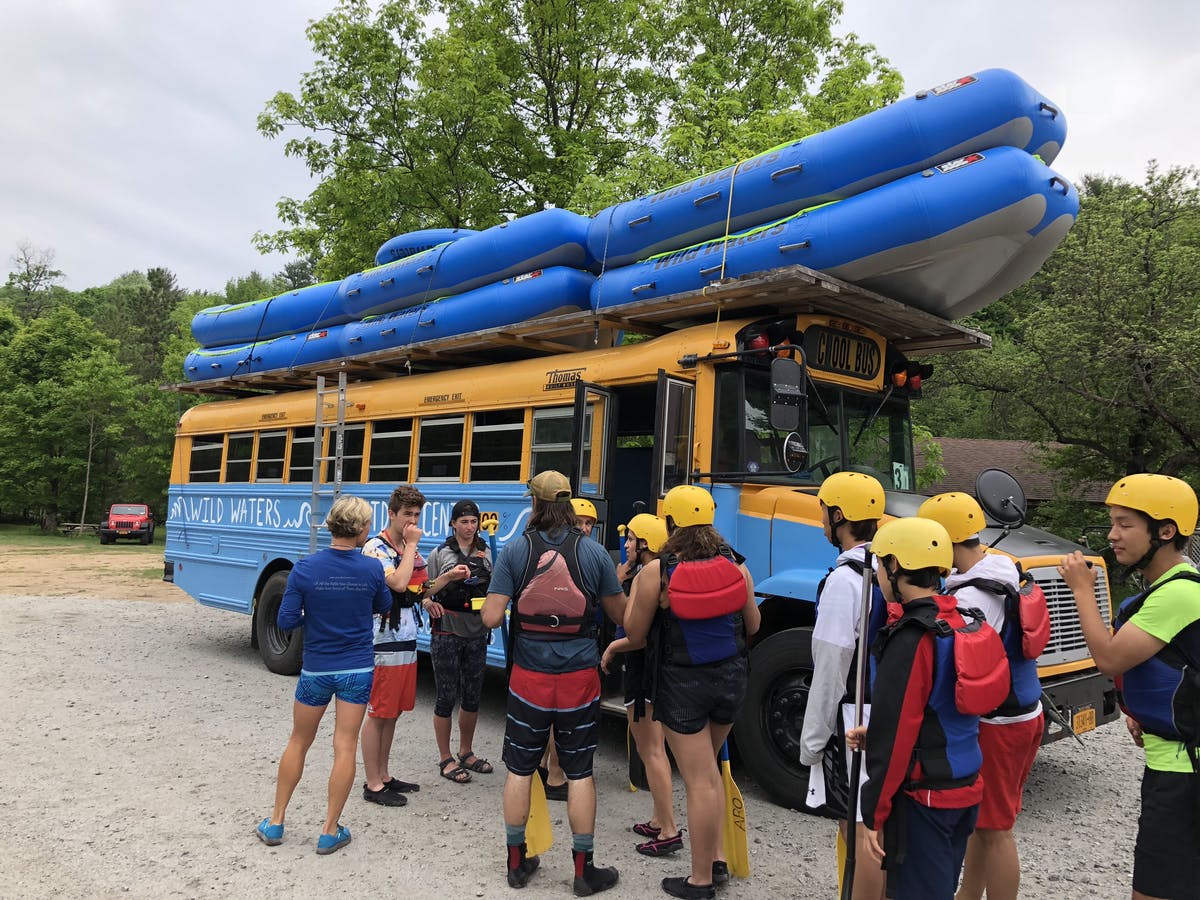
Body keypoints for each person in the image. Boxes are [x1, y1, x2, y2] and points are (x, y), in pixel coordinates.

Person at [481, 470, 625, 896]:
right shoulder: (595, 552)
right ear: (568, 504)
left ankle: (516, 861)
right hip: (580, 677)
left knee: (520, 769)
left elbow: (490, 617)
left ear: (536, 504)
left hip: (529, 678)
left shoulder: (515, 551)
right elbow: (622, 616)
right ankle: (583, 872)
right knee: (580, 772)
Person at [1059, 474, 1200, 900]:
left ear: (1165, 531)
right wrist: (1147, 715)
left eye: (1124, 524)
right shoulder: (1168, 588)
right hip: (1175, 761)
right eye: (1112, 523)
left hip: (1183, 775)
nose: (1112, 535)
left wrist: (1083, 590)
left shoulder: (1177, 594)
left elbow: (1109, 658)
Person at [623, 484, 760, 900]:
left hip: (683, 684)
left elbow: (635, 634)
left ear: (670, 523)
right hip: (731, 679)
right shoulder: (737, 566)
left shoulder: (657, 572)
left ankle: (700, 880)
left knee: (698, 780)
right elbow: (753, 625)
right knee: (712, 772)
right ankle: (716, 857)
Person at [847, 517, 993, 900]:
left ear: (895, 566)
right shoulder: (961, 619)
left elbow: (898, 734)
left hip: (924, 798)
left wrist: (873, 813)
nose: (877, 574)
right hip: (965, 785)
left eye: (880, 565)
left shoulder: (913, 637)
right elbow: (940, 706)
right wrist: (876, 729)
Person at [918, 492, 1042, 900]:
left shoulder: (973, 598)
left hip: (1001, 723)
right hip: (1027, 711)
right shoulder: (1003, 566)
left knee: (997, 831)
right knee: (983, 822)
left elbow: (957, 664)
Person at [256, 495, 391, 855]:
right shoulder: (372, 569)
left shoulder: (304, 568)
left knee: (299, 741)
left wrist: (311, 619)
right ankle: (330, 830)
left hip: (316, 668)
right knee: (344, 745)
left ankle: (276, 821)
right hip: (357, 669)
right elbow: (383, 606)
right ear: (361, 529)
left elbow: (285, 620)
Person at [799, 471, 886, 900]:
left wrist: (812, 741)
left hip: (855, 719)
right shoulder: (894, 568)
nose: (821, 521)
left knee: (859, 824)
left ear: (839, 516)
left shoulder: (844, 581)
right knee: (881, 819)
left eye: (823, 513)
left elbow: (831, 667)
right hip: (890, 710)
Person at [600, 513, 682, 857]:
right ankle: (657, 817)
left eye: (632, 539)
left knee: (651, 749)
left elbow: (634, 632)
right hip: (655, 669)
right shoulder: (660, 571)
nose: (628, 544)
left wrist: (611, 648)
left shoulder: (648, 575)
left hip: (643, 670)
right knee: (653, 748)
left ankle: (668, 829)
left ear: (646, 543)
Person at [359, 485, 428, 807]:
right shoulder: (376, 547)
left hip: (405, 637)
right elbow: (398, 583)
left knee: (394, 712)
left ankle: (384, 775)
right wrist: (412, 546)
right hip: (382, 641)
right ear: (392, 513)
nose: (412, 521)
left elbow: (418, 590)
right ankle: (372, 783)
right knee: (378, 712)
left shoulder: (406, 547)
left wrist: (447, 581)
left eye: (417, 515)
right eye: (407, 515)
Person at [425, 498, 493, 785]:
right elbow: (423, 591)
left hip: (476, 631)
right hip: (447, 630)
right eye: (463, 521)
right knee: (446, 695)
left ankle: (466, 752)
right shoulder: (439, 554)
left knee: (473, 695)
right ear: (453, 524)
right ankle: (445, 758)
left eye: (473, 521)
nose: (469, 526)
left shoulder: (487, 552)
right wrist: (430, 601)